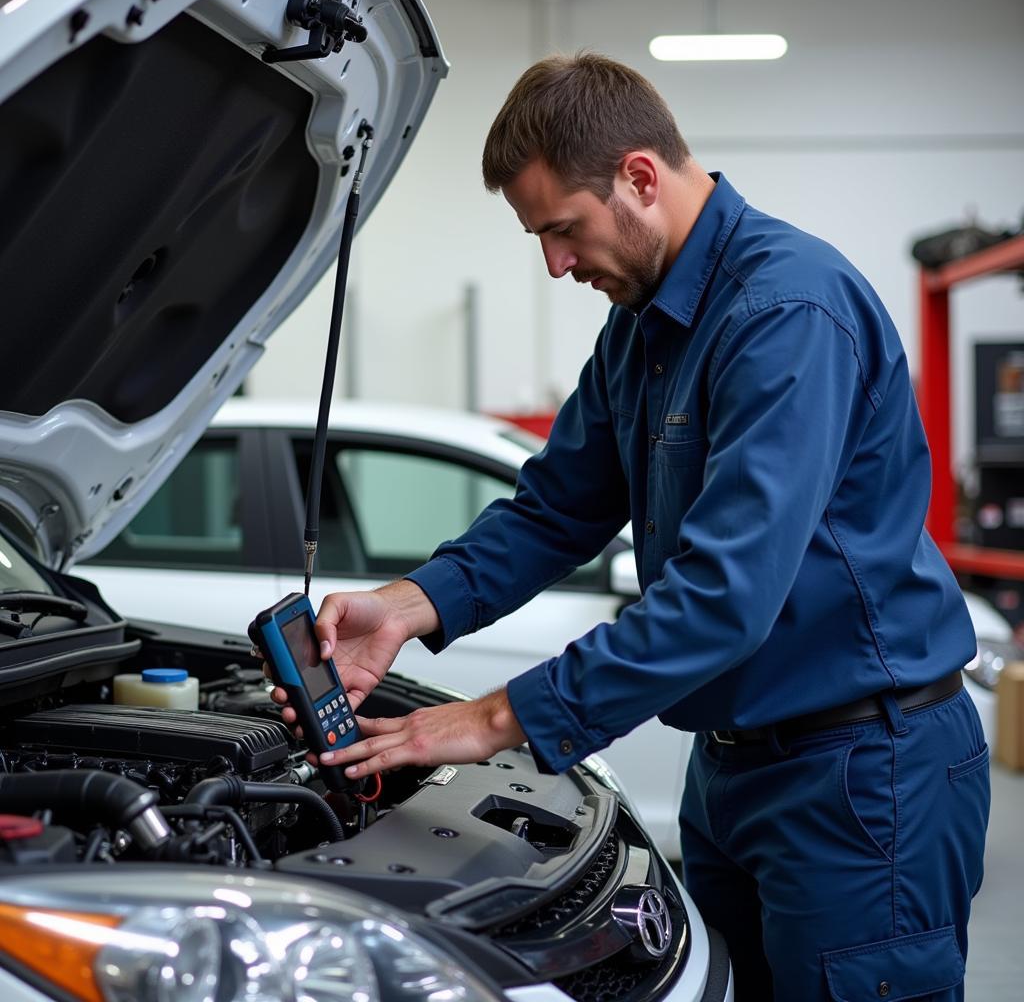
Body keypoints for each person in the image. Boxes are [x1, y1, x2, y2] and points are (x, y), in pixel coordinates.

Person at [271, 53, 990, 1000]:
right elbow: (555, 507)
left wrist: (494, 720)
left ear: (640, 177)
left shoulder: (787, 314)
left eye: (563, 230)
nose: (556, 264)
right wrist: (407, 607)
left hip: (860, 777)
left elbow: (723, 600)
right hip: (733, 766)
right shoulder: (644, 328)